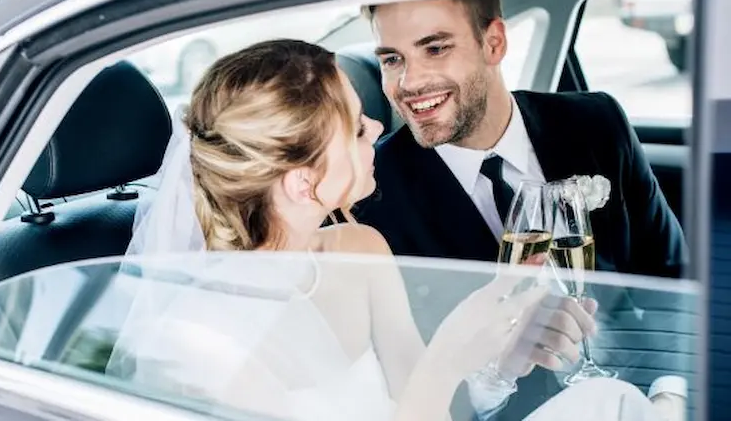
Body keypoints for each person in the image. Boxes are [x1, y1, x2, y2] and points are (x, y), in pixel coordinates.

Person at [105, 39, 666, 421]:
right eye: (353, 128)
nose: (378, 126)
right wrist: (448, 354)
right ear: (303, 185)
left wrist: (501, 360)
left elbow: (426, 408)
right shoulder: (199, 347)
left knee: (606, 400)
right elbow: (430, 382)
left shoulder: (361, 248)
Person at [352, 0, 689, 419]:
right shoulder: (370, 193)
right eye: (392, 60)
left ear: (494, 44)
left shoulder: (596, 123)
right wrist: (493, 378)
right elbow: (411, 392)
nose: (409, 82)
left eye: (435, 49)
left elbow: (674, 278)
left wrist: (669, 395)